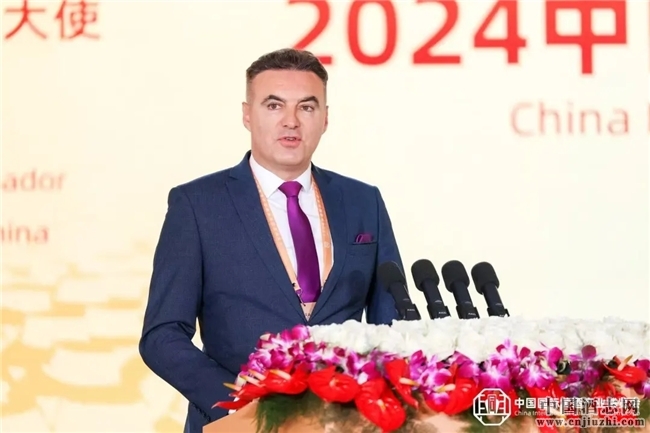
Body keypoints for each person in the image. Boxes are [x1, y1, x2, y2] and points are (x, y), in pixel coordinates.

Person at [139, 48, 405, 433]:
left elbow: (391, 325)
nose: (291, 121)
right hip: (238, 423)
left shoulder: (364, 201)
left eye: (307, 107)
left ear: (326, 118)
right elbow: (161, 336)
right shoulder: (197, 205)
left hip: (344, 422)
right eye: (274, 105)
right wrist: (237, 400)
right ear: (247, 114)